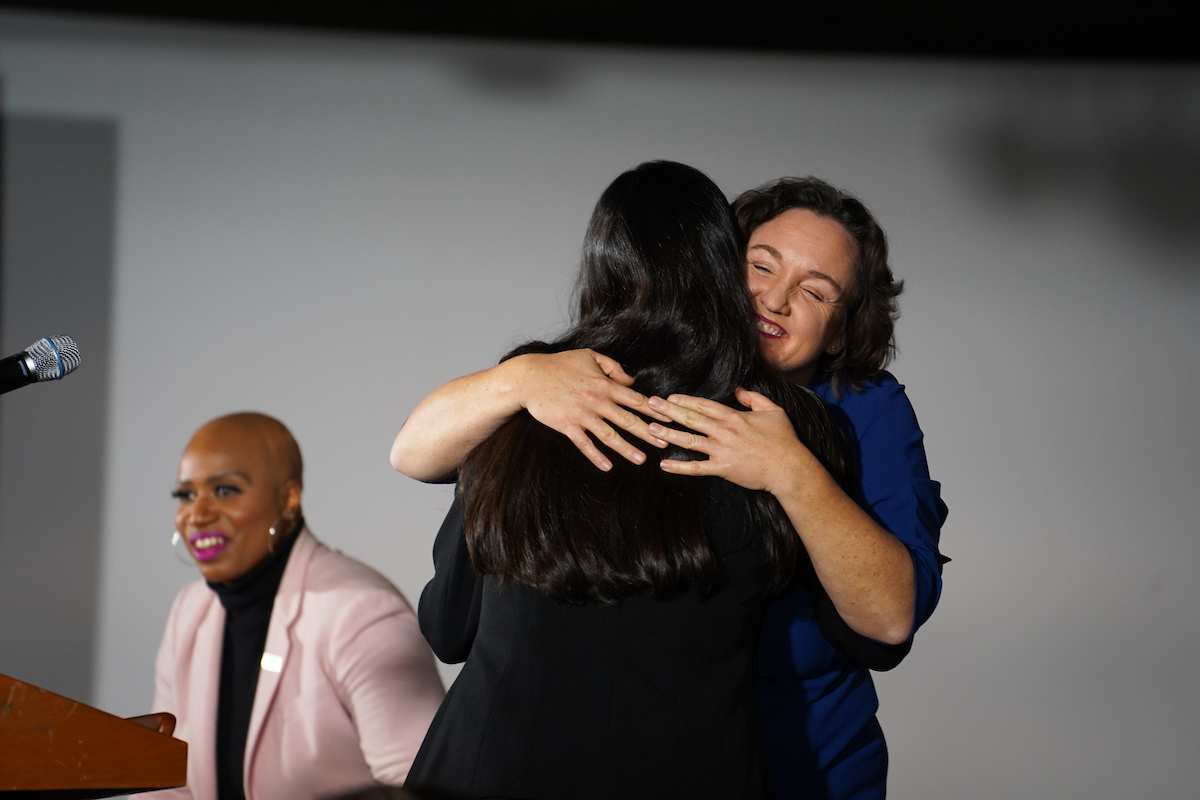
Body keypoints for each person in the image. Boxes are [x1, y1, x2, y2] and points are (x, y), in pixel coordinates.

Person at [391, 177, 947, 799]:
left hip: (800, 760)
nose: (776, 300)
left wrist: (791, 471)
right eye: (759, 267)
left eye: (815, 292)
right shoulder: (571, 390)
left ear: (841, 332)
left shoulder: (852, 418)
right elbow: (411, 454)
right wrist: (519, 381)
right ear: (711, 265)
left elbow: (887, 620)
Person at [146, 413, 445, 800]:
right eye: (186, 494)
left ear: (288, 499)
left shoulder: (361, 612)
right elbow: (167, 784)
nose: (197, 515)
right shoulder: (189, 612)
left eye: (225, 491)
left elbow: (415, 787)